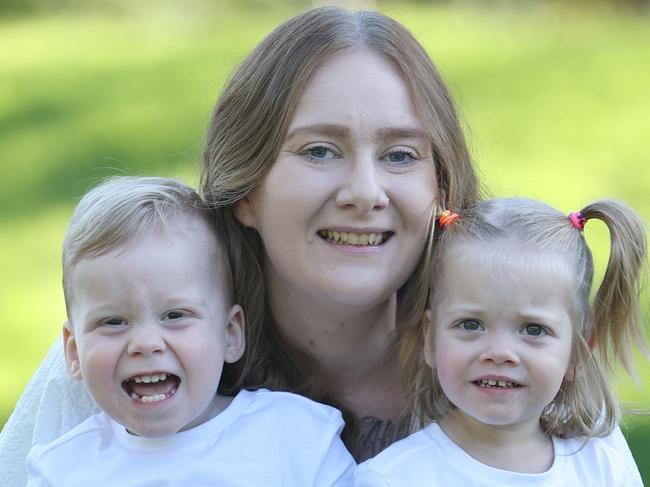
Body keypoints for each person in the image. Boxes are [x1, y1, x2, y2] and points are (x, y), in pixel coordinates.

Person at [0, 6, 638, 484]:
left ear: (440, 188)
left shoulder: (526, 387)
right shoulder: (134, 356)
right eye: (319, 150)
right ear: (245, 188)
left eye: (399, 154)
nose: (364, 191)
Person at [25, 176, 355, 486]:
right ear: (73, 352)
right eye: (113, 322)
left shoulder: (296, 437)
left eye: (174, 315)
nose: (145, 343)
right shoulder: (62, 470)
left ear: (230, 334)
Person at [354, 198, 647, 486]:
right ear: (430, 338)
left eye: (533, 330)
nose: (499, 353)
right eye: (471, 324)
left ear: (578, 352)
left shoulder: (605, 468)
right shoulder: (394, 478)